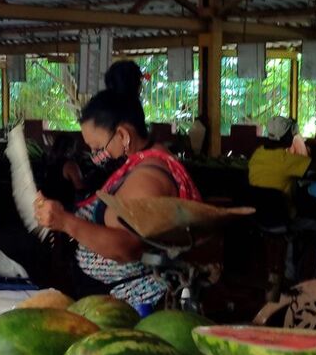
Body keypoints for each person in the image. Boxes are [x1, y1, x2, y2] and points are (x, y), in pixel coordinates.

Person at [34, 88, 201, 308]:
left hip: (136, 306)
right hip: (114, 298)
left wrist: (65, 222)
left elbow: (127, 247)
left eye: (99, 148)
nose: (96, 157)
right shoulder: (141, 163)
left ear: (123, 135)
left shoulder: (147, 179)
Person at [248, 116, 311, 197]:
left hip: (257, 204)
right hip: (282, 207)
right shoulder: (285, 159)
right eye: (290, 133)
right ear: (286, 137)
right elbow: (314, 167)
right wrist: (298, 136)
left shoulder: (258, 152)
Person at [42, 134, 85, 210]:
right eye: (74, 147)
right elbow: (80, 187)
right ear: (69, 148)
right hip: (65, 207)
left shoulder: (49, 161)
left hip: (49, 205)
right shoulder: (70, 165)